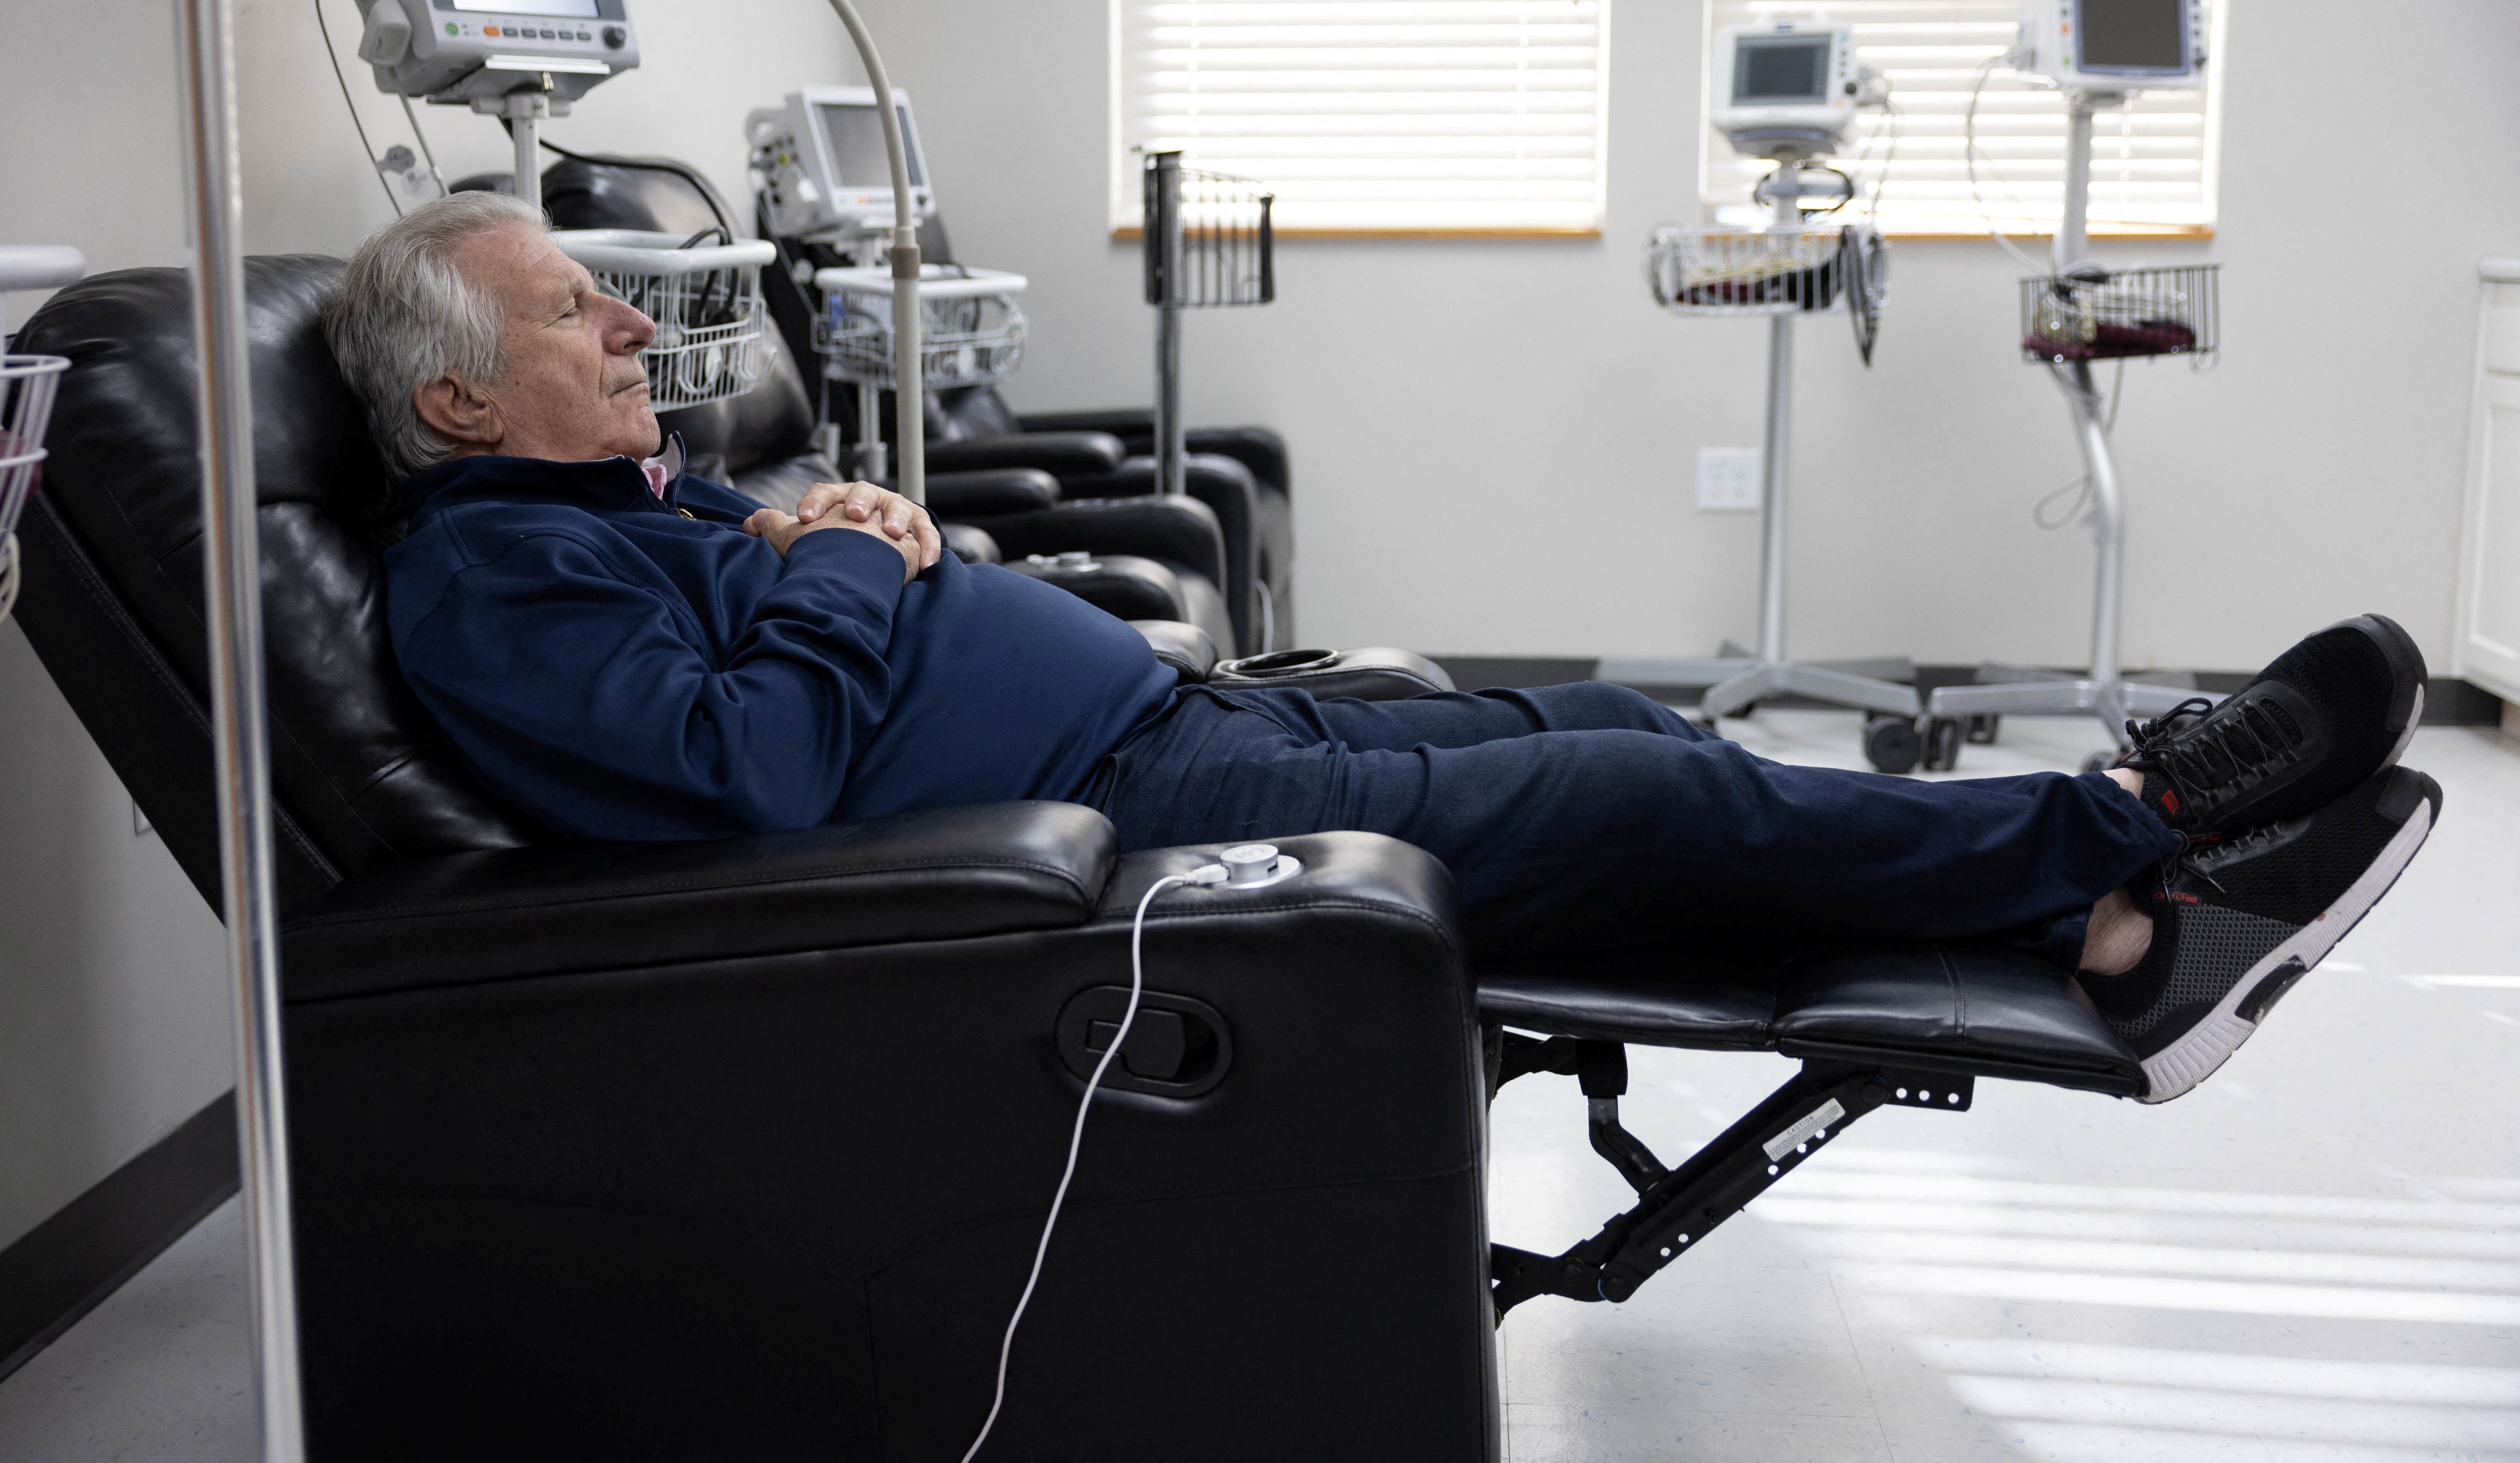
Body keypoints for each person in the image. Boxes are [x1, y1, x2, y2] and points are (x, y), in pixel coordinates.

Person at [327, 194, 2441, 1104]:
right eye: (570, 316)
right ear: (456, 404)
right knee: (1648, 786)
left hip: (1163, 721)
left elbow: (802, 618)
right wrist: (853, 559)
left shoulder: (611, 503)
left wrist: (830, 535)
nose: (627, 325)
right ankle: (2135, 818)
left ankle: (2085, 933)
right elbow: (759, 775)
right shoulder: (490, 579)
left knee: (1605, 708)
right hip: (1115, 826)